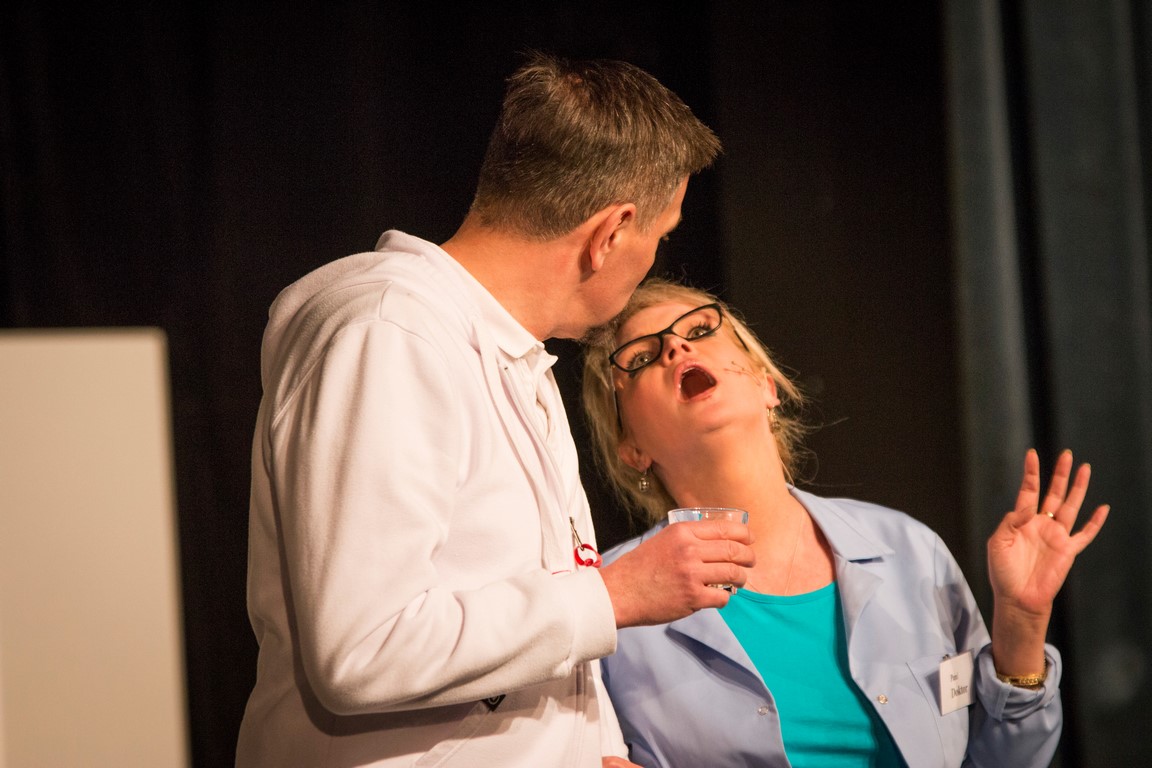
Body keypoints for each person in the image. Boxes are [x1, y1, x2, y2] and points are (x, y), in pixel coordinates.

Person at [233, 53, 755, 768]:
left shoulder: (511, 356)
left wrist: (598, 751)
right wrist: (617, 593)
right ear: (610, 234)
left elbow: (537, 630)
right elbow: (364, 648)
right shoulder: (390, 334)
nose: (654, 259)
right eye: (659, 238)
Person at [580, 277, 1110, 767]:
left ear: (767, 385)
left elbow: (1003, 760)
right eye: (642, 356)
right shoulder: (607, 606)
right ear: (632, 448)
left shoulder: (910, 550)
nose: (677, 348)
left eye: (699, 330)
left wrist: (1021, 621)